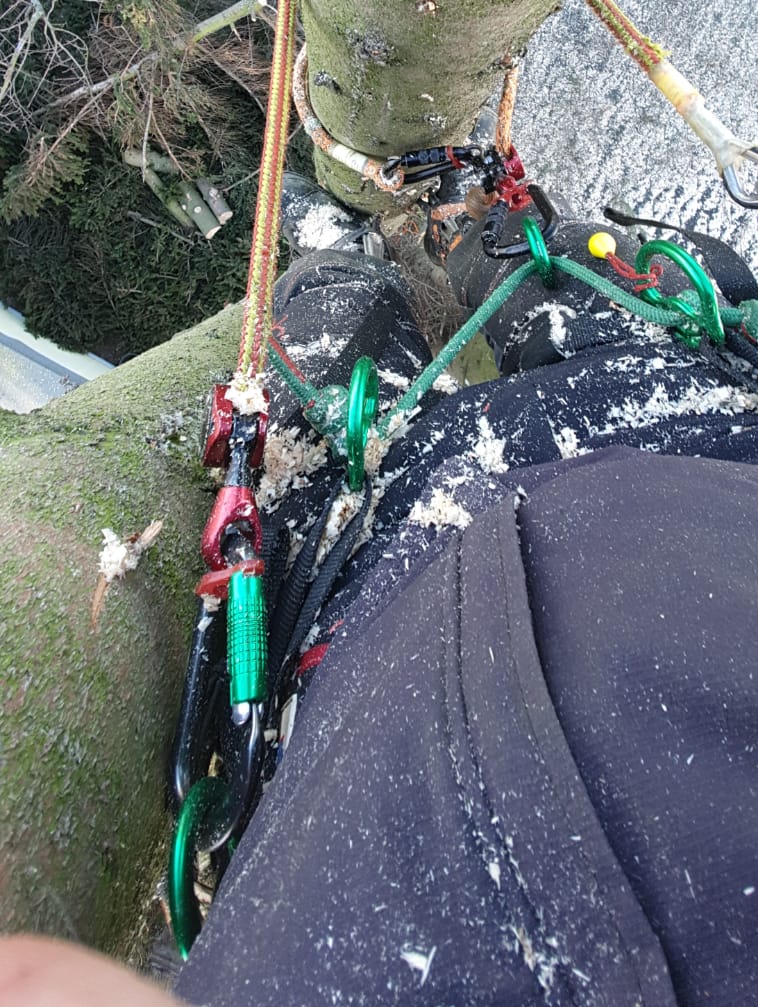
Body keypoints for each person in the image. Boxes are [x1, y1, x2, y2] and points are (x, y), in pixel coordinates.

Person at [2, 179, 758, 1007]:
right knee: (591, 271)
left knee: (329, 333)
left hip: (378, 580)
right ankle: (471, 225)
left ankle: (345, 253)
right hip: (705, 429)